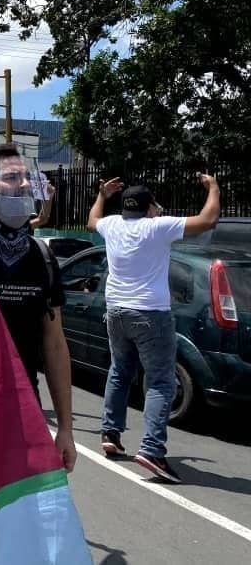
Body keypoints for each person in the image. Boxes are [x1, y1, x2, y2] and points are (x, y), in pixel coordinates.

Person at [87, 175, 220, 483]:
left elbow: (92, 220)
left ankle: (110, 434)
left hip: (116, 311)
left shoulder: (113, 225)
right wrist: (212, 187)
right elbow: (208, 219)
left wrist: (101, 195)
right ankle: (152, 450)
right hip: (150, 314)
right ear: (149, 208)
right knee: (161, 382)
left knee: (119, 372)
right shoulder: (157, 227)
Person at [0, 143, 77, 473]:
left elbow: (55, 345)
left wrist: (65, 430)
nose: (26, 185)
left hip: (24, 413)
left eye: (27, 177)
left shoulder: (42, 257)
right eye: (13, 178)